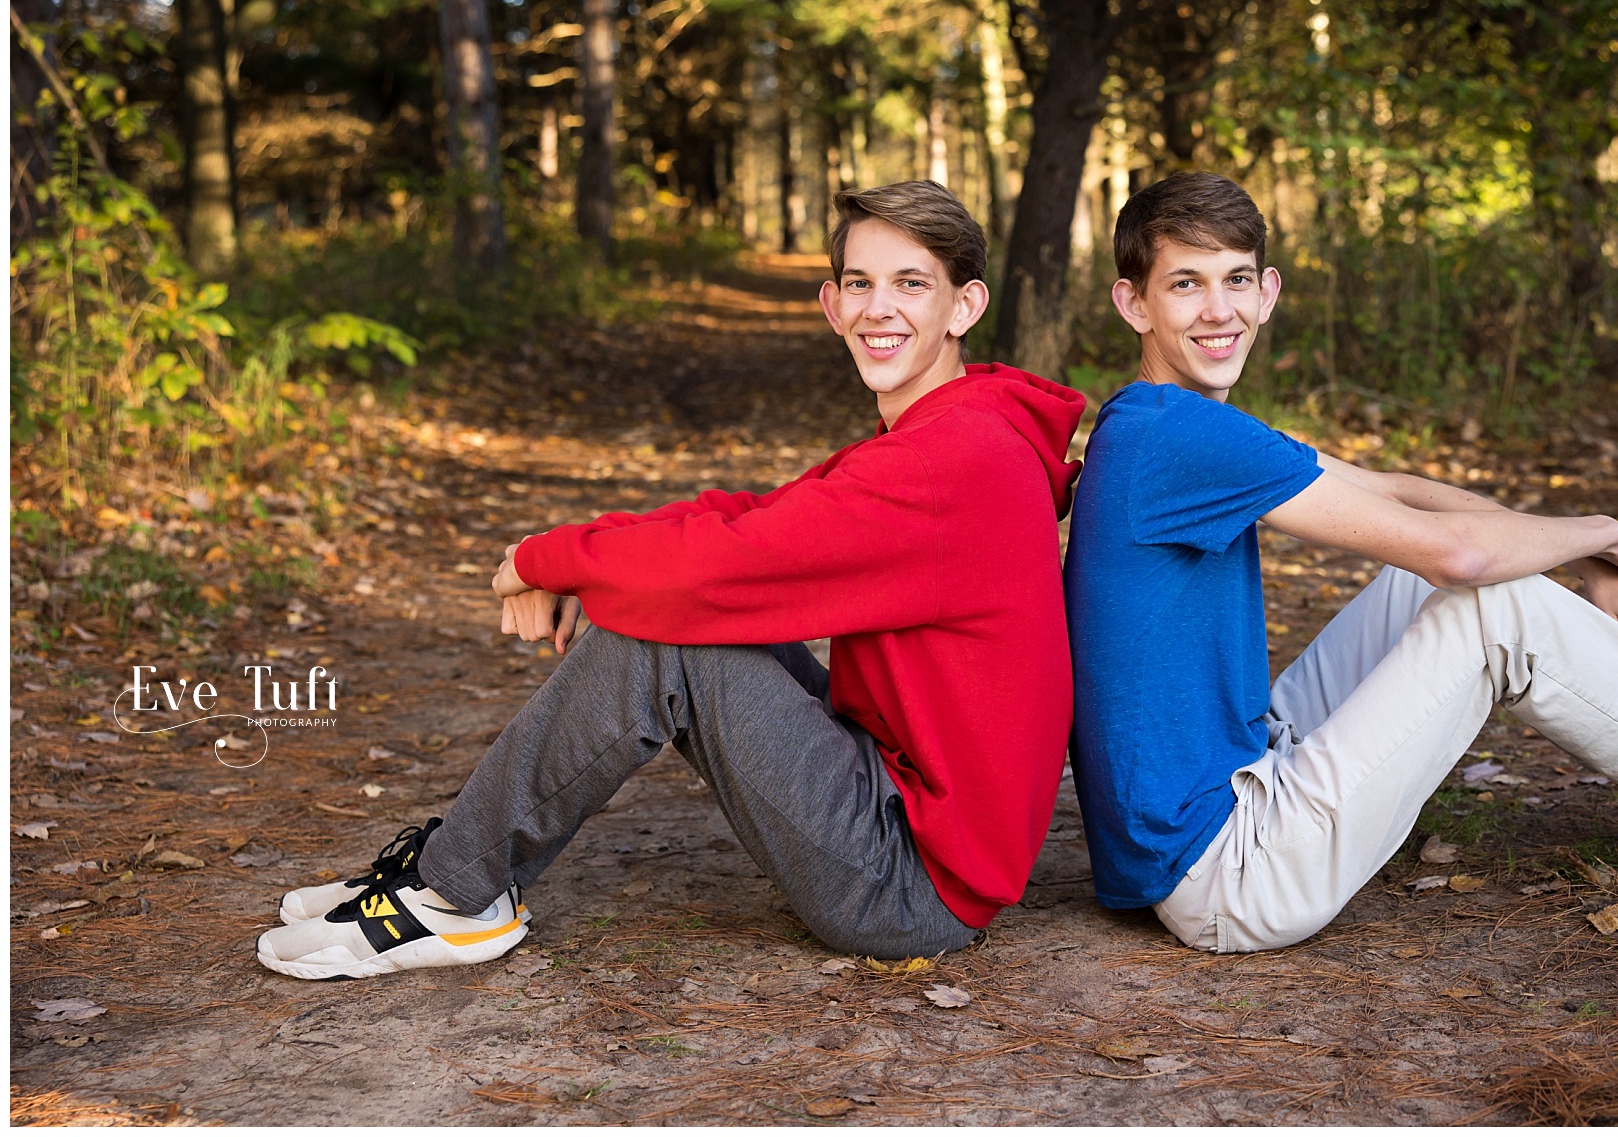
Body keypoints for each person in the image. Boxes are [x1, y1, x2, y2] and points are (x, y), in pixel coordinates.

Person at [1063, 171, 1618, 954]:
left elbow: (1393, 490)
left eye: (1235, 280)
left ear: (1269, 292)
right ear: (1135, 304)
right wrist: (1601, 533)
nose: (1217, 310)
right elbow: (1465, 552)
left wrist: (1582, 561)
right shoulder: (1176, 437)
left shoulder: (1163, 422)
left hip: (1234, 781)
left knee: (1422, 578)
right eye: (1186, 284)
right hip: (1227, 872)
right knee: (1487, 602)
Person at [258, 181, 1085, 979]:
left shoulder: (955, 460)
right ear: (832, 305)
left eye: (912, 284)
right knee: (689, 619)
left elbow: (723, 567)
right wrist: (567, 547)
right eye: (860, 284)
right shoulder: (952, 428)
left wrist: (549, 563)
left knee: (671, 642)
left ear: (964, 306)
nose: (879, 309)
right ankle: (452, 867)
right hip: (899, 799)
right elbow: (749, 517)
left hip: (913, 884)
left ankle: (453, 891)